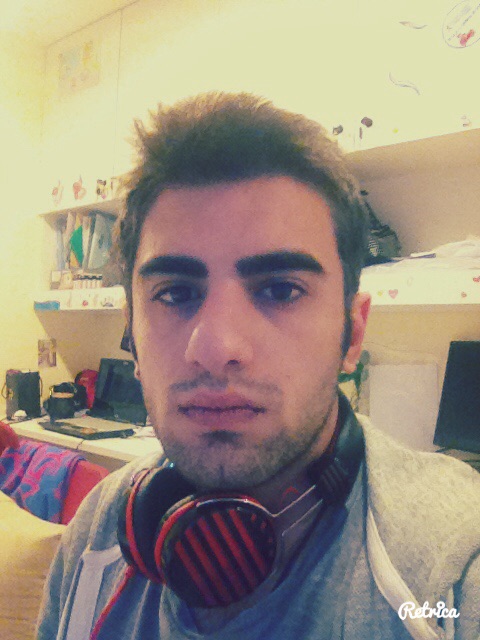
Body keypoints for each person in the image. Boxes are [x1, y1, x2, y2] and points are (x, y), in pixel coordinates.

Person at [37, 92, 480, 640]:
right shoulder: (97, 533)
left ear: (353, 332)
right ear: (132, 331)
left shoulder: (454, 573)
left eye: (280, 289)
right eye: (175, 293)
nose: (217, 346)